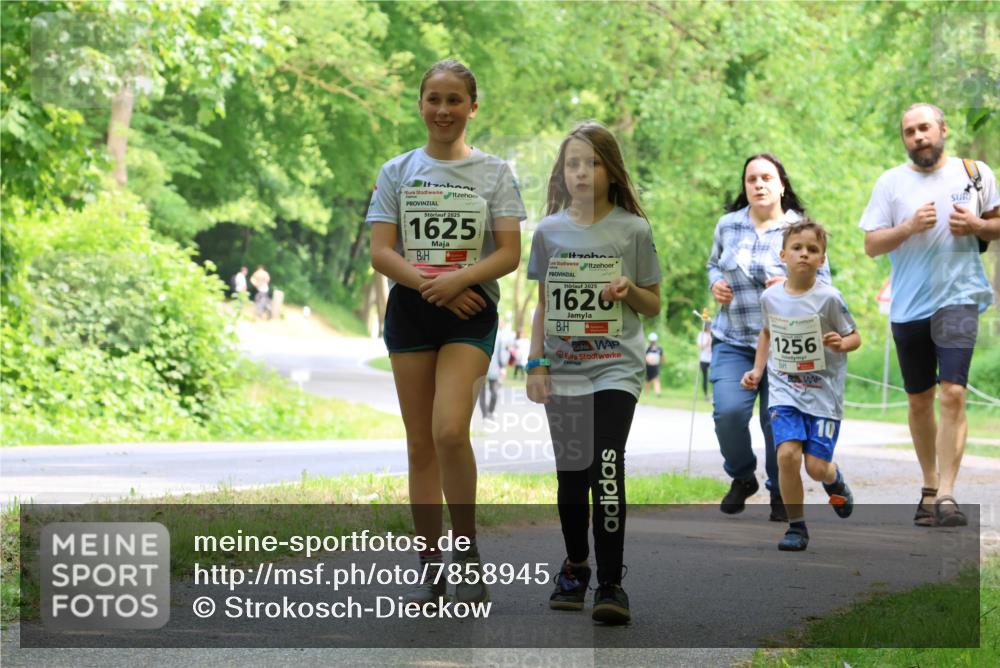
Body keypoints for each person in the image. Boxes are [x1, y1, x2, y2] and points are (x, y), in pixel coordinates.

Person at [366, 59, 525, 605]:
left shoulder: (496, 173)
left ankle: (467, 548)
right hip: (413, 311)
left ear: (472, 107)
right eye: (433, 98)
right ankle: (431, 564)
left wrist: (459, 281)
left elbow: (509, 252)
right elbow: (380, 251)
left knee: (450, 430)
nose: (443, 109)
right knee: (419, 445)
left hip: (470, 311)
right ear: (420, 104)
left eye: (454, 99)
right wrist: (432, 285)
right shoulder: (397, 171)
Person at [526, 121, 661, 624]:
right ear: (563, 174)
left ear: (610, 170)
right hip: (563, 370)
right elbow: (541, 305)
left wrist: (631, 290)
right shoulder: (548, 231)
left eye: (592, 163)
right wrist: (536, 365)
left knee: (605, 465)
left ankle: (610, 582)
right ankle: (576, 565)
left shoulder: (633, 230)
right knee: (570, 475)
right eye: (573, 164)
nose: (581, 172)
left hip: (615, 369)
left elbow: (653, 303)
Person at [859, 103, 1000, 527]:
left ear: (942, 129)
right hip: (909, 305)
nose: (917, 137)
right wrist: (907, 228)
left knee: (952, 393)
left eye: (924, 128)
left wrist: (976, 225)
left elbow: (997, 225)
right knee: (919, 400)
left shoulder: (976, 173)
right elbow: (871, 245)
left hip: (958, 297)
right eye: (909, 132)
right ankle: (928, 483)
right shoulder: (891, 184)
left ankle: (948, 494)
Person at [706, 153, 829, 521]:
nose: (758, 184)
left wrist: (794, 285)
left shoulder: (800, 231)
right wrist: (715, 283)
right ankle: (743, 477)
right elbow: (712, 263)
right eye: (751, 179)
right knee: (727, 413)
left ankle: (780, 490)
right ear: (745, 187)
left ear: (781, 184)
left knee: (776, 422)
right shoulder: (728, 225)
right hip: (732, 339)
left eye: (766, 178)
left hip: (785, 346)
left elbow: (825, 285)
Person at [741, 220, 861, 551]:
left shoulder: (829, 299)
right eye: (797, 248)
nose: (804, 255)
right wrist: (757, 370)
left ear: (822, 259)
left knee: (817, 467)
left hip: (823, 395)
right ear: (783, 255)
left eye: (812, 250)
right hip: (784, 390)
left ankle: (834, 480)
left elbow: (855, 336)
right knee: (787, 456)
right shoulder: (771, 298)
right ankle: (796, 527)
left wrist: (841, 343)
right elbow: (767, 333)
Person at [479, 328, 506, 421]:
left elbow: (500, 354)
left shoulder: (499, 337)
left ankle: (491, 411)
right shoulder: (478, 334)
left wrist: (502, 367)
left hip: (494, 369)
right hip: (481, 369)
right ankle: (485, 414)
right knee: (482, 393)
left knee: (494, 393)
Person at [697, 320, 712, 400]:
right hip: (703, 359)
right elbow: (700, 347)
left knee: (714, 376)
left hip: (712, 358)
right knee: (705, 377)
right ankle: (706, 395)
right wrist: (707, 343)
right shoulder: (701, 335)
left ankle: (714, 394)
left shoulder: (713, 335)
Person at [643, 333, 663, 397]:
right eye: (652, 341)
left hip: (655, 366)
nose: (653, 342)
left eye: (654, 341)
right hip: (648, 366)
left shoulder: (659, 348)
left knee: (656, 379)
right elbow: (643, 356)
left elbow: (661, 356)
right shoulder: (647, 348)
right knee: (647, 380)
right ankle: (647, 394)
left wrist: (661, 363)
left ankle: (658, 393)